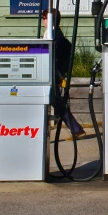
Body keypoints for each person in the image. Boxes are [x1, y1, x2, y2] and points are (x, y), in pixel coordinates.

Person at [42, 9, 85, 140]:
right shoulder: (53, 33)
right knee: (56, 103)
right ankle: (76, 129)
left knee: (56, 102)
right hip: (51, 73)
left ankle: (76, 129)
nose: (42, 21)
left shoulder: (54, 34)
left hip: (51, 73)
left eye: (44, 18)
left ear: (49, 19)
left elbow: (52, 55)